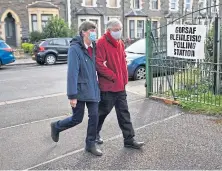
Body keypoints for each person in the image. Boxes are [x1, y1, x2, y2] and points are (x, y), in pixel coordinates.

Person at [50, 21, 102, 156]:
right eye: (91, 31)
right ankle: (57, 126)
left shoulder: (94, 47)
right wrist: (72, 95)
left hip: (93, 89)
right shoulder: (75, 49)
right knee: (77, 118)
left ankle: (90, 144)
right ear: (83, 32)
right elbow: (72, 73)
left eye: (94, 31)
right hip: (79, 90)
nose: (94, 34)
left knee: (94, 116)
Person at [95, 19, 144, 149]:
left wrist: (124, 78)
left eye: (120, 29)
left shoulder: (120, 43)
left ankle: (129, 140)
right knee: (102, 112)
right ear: (109, 30)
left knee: (124, 113)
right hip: (108, 86)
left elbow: (123, 61)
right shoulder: (101, 43)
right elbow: (99, 64)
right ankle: (94, 133)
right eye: (116, 30)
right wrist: (114, 77)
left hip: (120, 86)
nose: (119, 32)